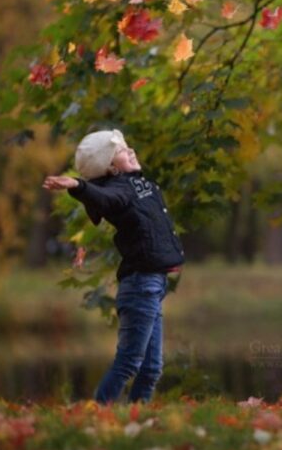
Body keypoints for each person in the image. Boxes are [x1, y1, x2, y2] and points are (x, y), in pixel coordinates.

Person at [42, 129, 185, 404]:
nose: (130, 150)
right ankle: (97, 413)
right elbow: (104, 198)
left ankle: (136, 418)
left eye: (128, 145)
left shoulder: (139, 185)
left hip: (154, 283)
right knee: (130, 361)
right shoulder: (117, 190)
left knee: (152, 368)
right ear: (110, 167)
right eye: (121, 150)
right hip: (141, 284)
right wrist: (78, 185)